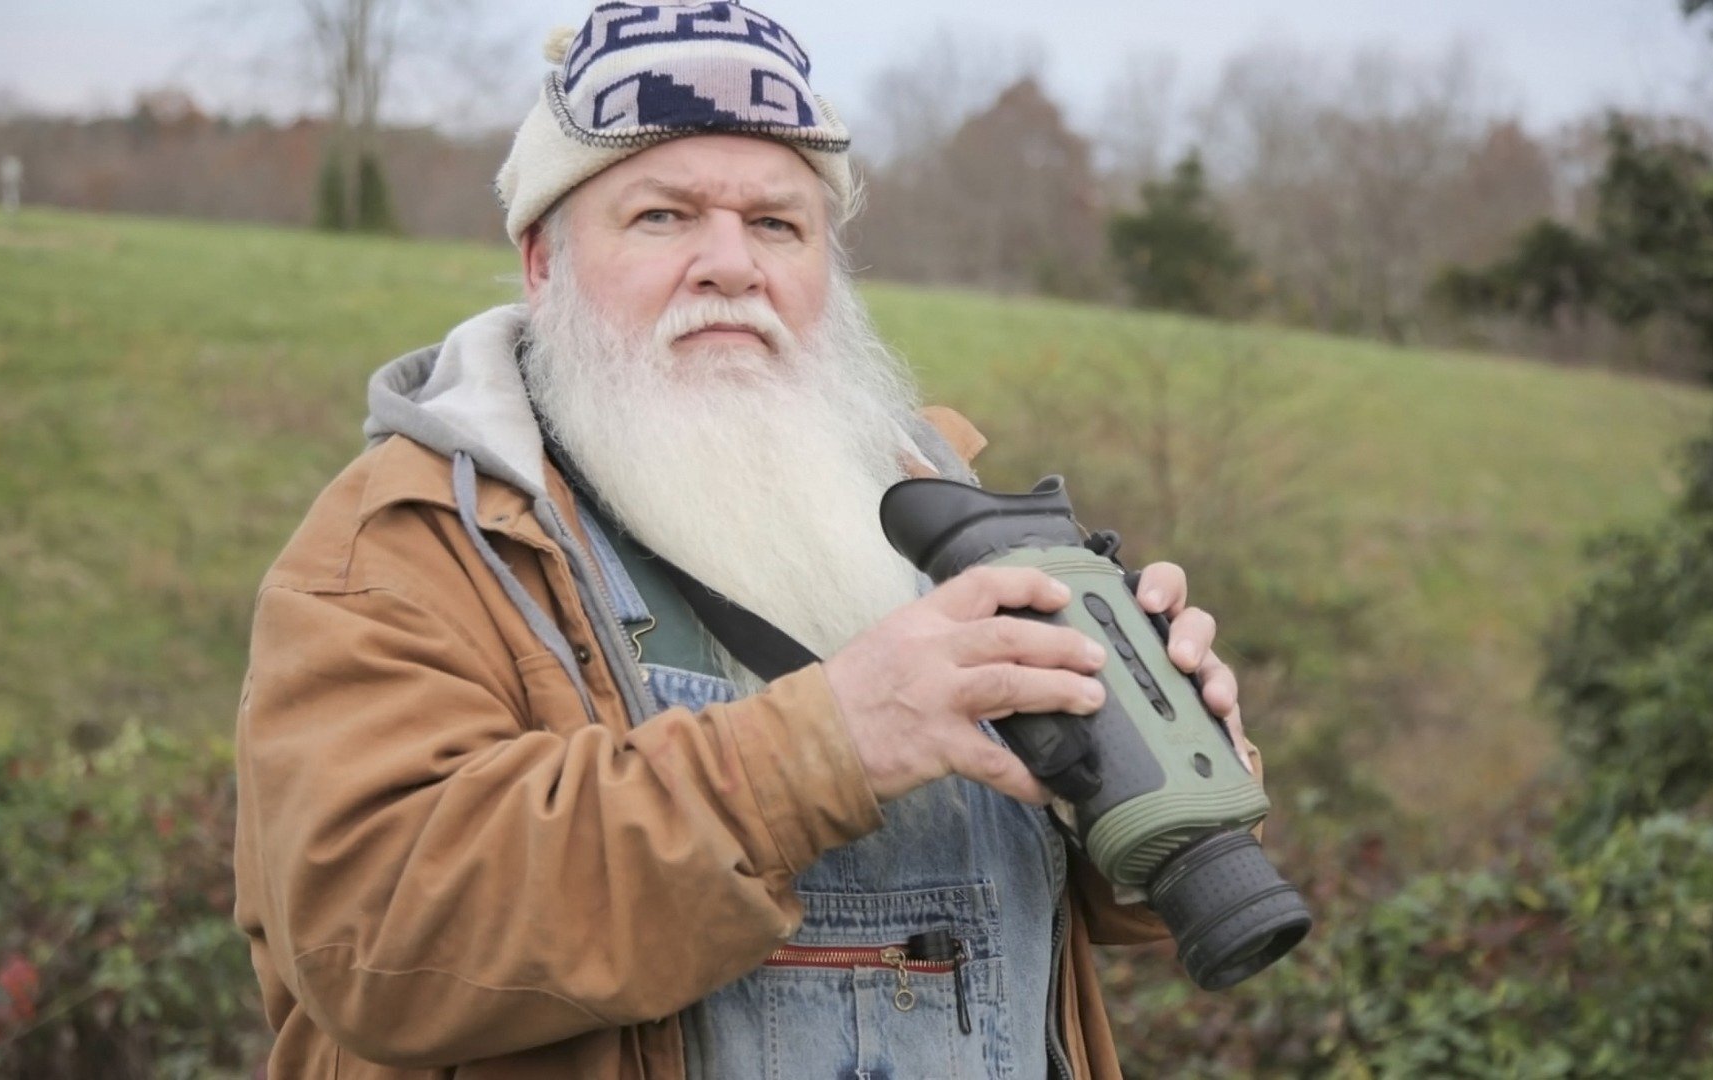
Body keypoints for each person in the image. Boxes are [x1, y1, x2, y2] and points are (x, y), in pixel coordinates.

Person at [233, 3, 1266, 1077]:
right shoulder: (404, 550)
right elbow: (378, 943)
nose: (733, 265)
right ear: (542, 260)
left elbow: (1081, 914)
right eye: (663, 216)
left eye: (778, 224)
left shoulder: (939, 510)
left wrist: (1171, 764)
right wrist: (828, 745)